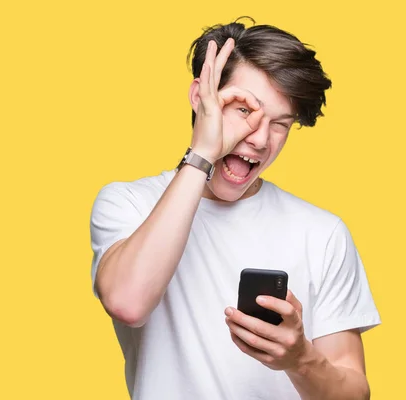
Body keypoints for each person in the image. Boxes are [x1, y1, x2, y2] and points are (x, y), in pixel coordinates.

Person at [88, 18, 381, 400]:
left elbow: (354, 394)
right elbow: (128, 303)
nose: (260, 139)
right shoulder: (130, 204)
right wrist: (202, 154)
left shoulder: (323, 233)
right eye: (244, 110)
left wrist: (300, 359)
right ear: (200, 97)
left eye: (280, 124)